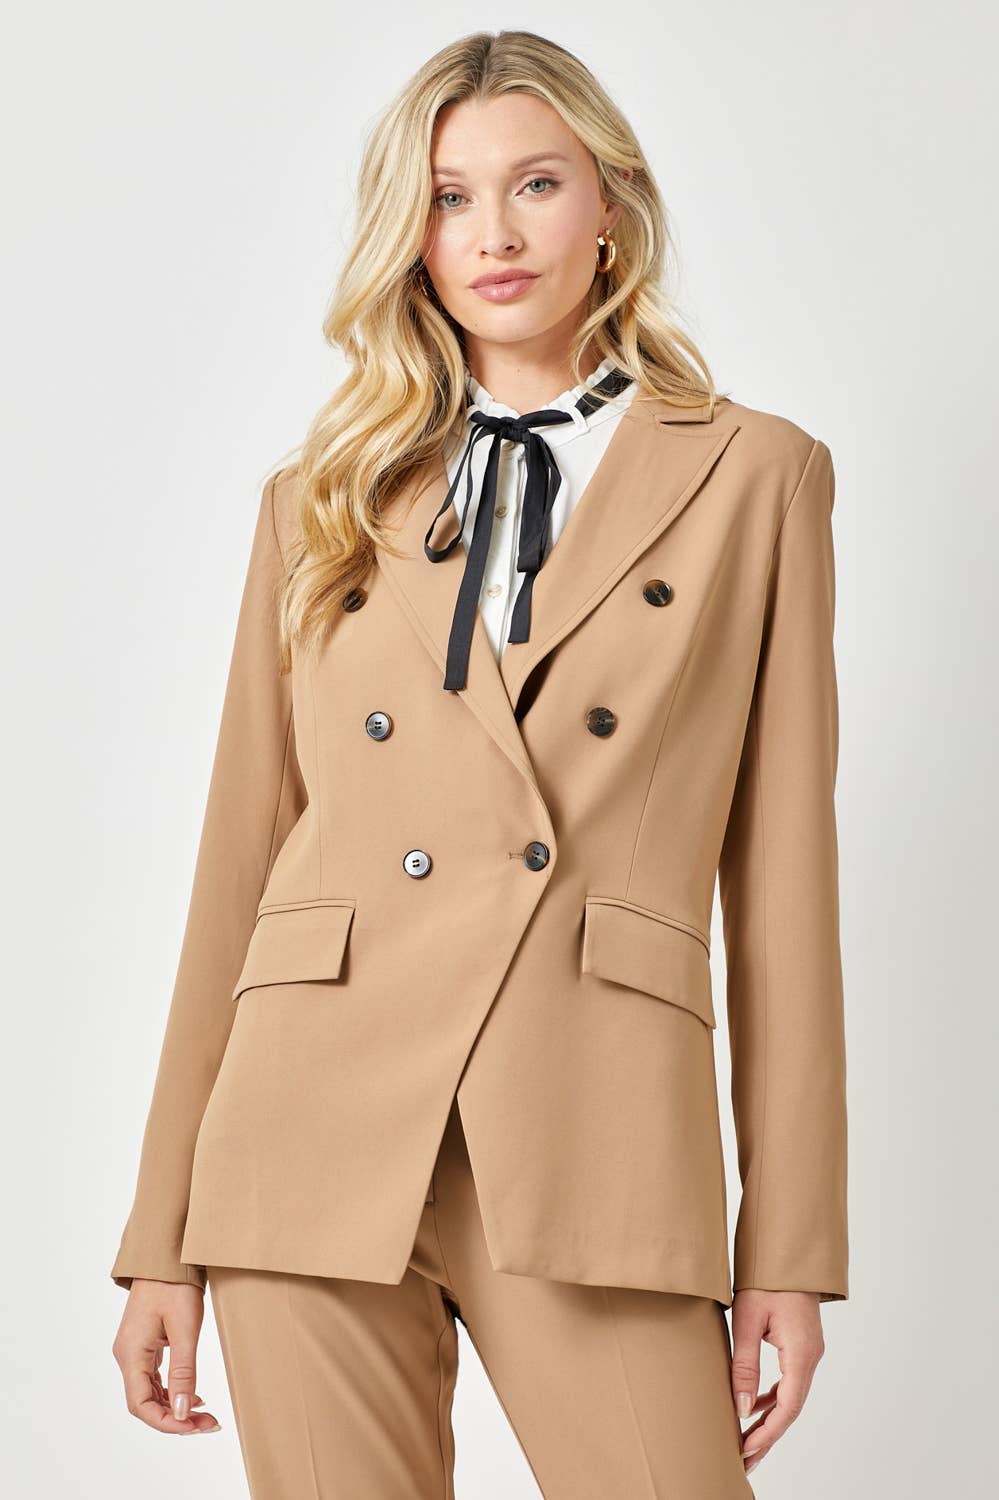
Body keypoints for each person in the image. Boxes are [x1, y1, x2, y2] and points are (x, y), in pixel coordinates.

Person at [110, 28, 848, 1498]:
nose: (494, 234)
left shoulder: (753, 474)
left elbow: (784, 887)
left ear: (611, 205)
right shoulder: (321, 496)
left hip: (592, 1123)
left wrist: (792, 1245)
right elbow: (240, 861)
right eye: (450, 198)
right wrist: (159, 1240)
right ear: (413, 234)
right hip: (308, 1129)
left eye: (536, 184)